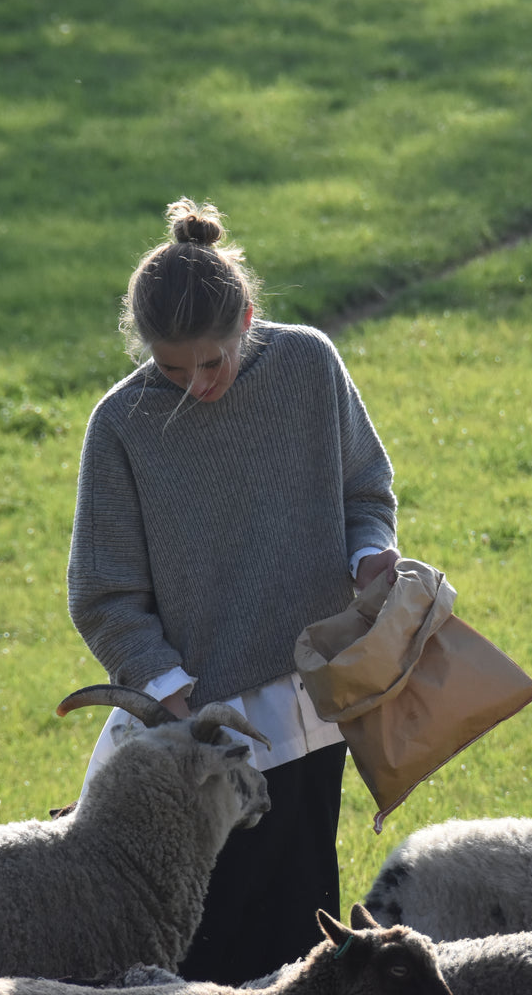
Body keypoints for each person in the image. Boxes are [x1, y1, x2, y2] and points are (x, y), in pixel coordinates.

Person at [66, 197, 399, 983]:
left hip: (314, 709)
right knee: (199, 941)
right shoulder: (121, 424)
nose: (195, 384)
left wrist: (370, 555)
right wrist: (174, 697)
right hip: (198, 730)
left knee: (298, 926)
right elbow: (104, 595)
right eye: (171, 369)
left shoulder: (310, 365)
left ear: (248, 318)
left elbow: (366, 490)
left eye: (211, 362)